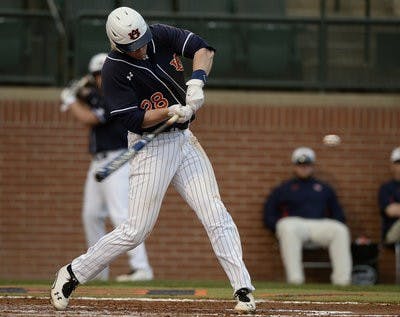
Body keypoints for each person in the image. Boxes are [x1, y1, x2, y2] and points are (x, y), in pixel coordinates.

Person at [51, 6, 255, 313]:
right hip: (153, 147)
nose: (141, 48)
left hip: (184, 142)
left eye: (142, 40)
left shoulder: (158, 34)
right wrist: (170, 111)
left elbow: (203, 48)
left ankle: (243, 289)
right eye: (133, 46)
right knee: (136, 230)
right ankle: (72, 273)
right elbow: (132, 119)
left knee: (215, 212)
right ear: (116, 44)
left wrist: (197, 82)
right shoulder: (113, 69)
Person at [59, 53, 153, 282]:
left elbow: (90, 117)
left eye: (104, 74)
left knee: (121, 214)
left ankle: (141, 268)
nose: (101, 79)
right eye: (96, 75)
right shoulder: (96, 94)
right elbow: (90, 98)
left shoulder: (116, 95)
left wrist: (71, 101)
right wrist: (79, 94)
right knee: (91, 215)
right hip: (98, 161)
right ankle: (96, 270)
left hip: (118, 159)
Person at [263, 147, 352, 285]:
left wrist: (336, 222)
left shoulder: (324, 188)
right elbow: (269, 213)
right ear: (295, 166)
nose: (304, 168)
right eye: (300, 165)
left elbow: (338, 214)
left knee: (340, 229)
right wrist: (276, 227)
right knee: (287, 227)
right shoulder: (284, 188)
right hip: (294, 225)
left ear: (312, 166)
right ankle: (295, 280)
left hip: (319, 225)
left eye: (307, 165)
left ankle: (343, 281)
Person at [378, 146, 400, 244]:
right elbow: (391, 211)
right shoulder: (386, 188)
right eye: (398, 163)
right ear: (392, 166)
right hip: (392, 231)